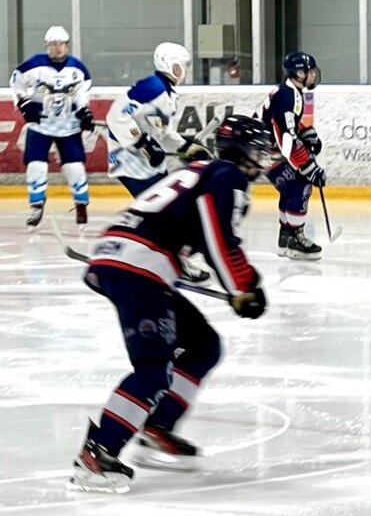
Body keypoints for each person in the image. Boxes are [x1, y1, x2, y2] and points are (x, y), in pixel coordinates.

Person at [67, 115, 272, 494]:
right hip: (139, 265)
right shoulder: (227, 175)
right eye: (259, 150)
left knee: (203, 345)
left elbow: (189, 228)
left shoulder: (200, 170)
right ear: (240, 150)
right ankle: (97, 455)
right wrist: (242, 286)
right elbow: (218, 237)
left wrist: (243, 281)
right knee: (152, 369)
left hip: (130, 260)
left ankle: (157, 428)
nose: (264, 159)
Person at [104, 42, 211, 282]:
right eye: (179, 66)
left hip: (143, 163)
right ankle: (169, 259)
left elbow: (161, 133)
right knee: (166, 211)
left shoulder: (167, 92)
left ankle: (159, 253)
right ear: (167, 65)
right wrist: (142, 144)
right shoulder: (153, 88)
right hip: (129, 161)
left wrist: (186, 146)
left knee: (169, 207)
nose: (184, 70)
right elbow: (115, 116)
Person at [10, 26, 94, 228]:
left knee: (75, 168)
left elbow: (82, 93)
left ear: (67, 45)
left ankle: (81, 204)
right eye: (53, 44)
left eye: (61, 44)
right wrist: (23, 104)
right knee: (36, 165)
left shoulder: (78, 69)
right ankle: (37, 205)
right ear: (47, 46)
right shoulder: (34, 65)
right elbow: (16, 82)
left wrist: (84, 112)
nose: (58, 48)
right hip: (41, 125)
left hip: (69, 126)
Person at [255, 51, 327, 260]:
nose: (313, 76)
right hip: (263, 151)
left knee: (289, 188)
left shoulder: (290, 91)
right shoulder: (289, 96)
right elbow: (286, 136)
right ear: (298, 73)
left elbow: (288, 125)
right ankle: (295, 238)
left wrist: (305, 131)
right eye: (309, 72)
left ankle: (286, 237)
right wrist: (307, 165)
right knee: (301, 183)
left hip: (261, 149)